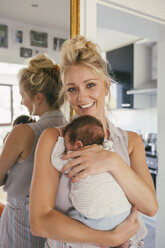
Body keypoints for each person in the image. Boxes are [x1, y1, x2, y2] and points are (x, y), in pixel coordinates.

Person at [30, 36, 158, 248]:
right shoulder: (54, 140)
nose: (81, 97)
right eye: (72, 89)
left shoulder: (130, 141)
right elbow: (39, 221)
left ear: (107, 87)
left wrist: (112, 162)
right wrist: (110, 239)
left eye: (90, 85)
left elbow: (150, 207)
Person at [0, 53, 66, 248]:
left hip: (22, 220)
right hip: (57, 219)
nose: (22, 102)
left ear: (38, 97)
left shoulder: (23, 132)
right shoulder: (72, 127)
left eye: (23, 96)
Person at [51, 114, 133, 233]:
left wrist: (60, 139)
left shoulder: (77, 159)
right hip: (123, 212)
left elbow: (56, 161)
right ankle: (121, 239)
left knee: (70, 219)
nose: (66, 149)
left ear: (79, 146)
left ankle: (101, 240)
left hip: (95, 219)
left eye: (66, 146)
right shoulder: (108, 150)